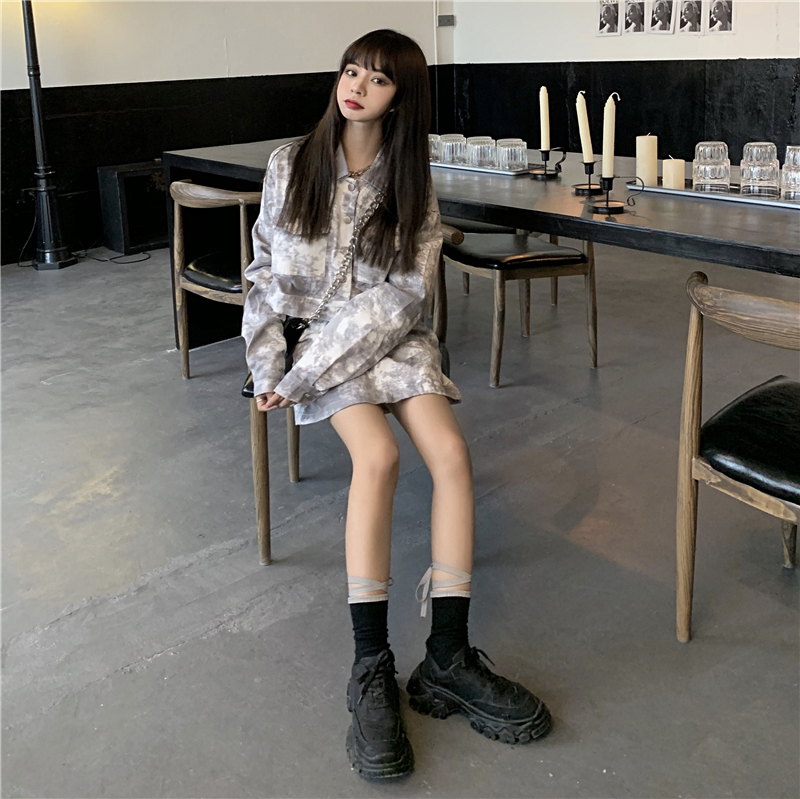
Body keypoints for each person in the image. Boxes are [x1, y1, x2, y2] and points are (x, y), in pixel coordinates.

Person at [242, 29, 552, 781]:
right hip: (314, 347)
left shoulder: (412, 182)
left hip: (394, 338)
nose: (356, 87)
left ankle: (447, 655)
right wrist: (276, 365)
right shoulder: (291, 164)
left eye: (377, 80)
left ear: (400, 98)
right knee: (378, 457)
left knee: (451, 456)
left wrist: (313, 367)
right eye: (351, 71)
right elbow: (266, 276)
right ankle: (370, 663)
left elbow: (407, 293)